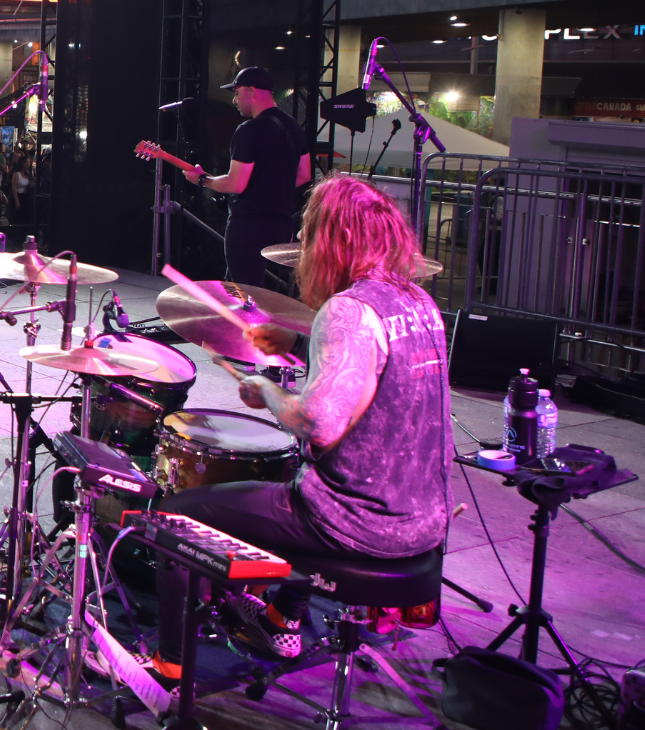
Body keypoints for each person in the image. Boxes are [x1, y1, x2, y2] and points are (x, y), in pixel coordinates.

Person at [152, 175, 448, 676]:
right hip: (423, 520)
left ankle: (170, 667)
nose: (304, 249)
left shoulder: (348, 310)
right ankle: (279, 618)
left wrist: (266, 391)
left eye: (309, 235)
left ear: (333, 241)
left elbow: (317, 423)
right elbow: (376, 377)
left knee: (176, 515)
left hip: (357, 523)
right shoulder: (419, 303)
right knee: (298, 481)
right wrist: (294, 341)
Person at [186, 66, 311, 285]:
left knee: (244, 291)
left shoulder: (248, 130)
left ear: (251, 91)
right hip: (281, 224)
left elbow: (235, 183)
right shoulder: (293, 127)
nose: (234, 100)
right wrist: (270, 188)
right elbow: (304, 174)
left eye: (236, 93)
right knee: (244, 287)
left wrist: (202, 179)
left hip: (248, 227)